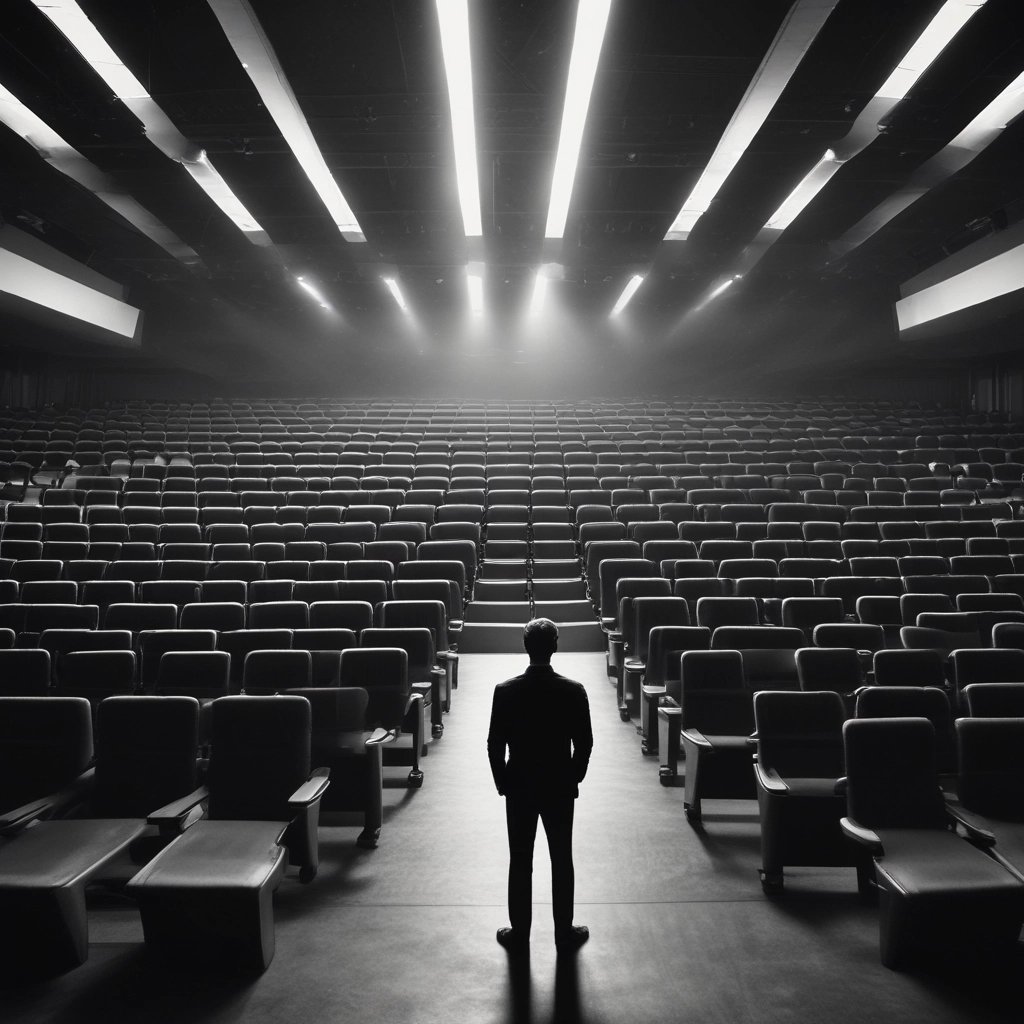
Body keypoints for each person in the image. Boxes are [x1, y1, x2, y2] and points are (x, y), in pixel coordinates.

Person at [487, 618, 594, 953]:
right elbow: (585, 743)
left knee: (520, 859)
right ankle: (564, 932)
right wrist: (573, 776)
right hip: (559, 784)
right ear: (555, 645)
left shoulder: (505, 691)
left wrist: (503, 782)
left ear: (525, 645)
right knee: (562, 858)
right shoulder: (573, 690)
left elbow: (494, 744)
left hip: (519, 783)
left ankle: (520, 933)